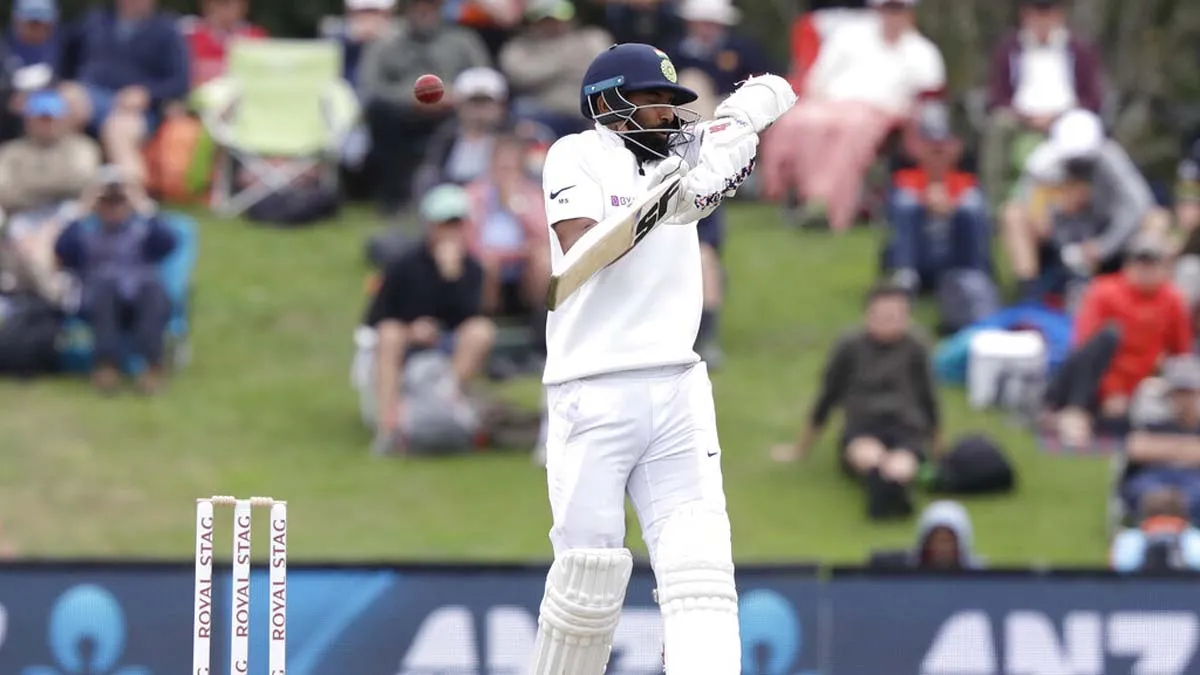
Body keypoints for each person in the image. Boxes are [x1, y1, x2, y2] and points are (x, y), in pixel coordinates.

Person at [529, 43, 794, 672]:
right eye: (653, 100)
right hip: (592, 387)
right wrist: (665, 201)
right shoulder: (576, 154)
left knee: (701, 572)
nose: (668, 115)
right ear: (609, 104)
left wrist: (742, 120)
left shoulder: (683, 155)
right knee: (587, 577)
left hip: (678, 385)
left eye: (673, 103)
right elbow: (581, 253)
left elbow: (778, 89)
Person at [773, 283, 940, 519]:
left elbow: (929, 399)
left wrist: (938, 448)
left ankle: (894, 491)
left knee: (902, 463)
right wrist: (801, 448)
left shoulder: (916, 347)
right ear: (868, 315)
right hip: (863, 427)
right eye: (882, 316)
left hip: (906, 428)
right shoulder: (849, 346)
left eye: (896, 316)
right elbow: (827, 398)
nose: (889, 322)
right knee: (869, 456)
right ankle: (883, 489)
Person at [363, 184, 497, 453]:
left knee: (480, 331)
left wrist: (452, 277)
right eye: (445, 224)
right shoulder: (403, 265)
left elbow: (471, 314)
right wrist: (412, 330)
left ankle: (444, 402)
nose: (452, 231)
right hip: (407, 340)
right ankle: (388, 427)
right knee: (389, 335)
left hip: (451, 341)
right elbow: (377, 316)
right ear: (431, 226)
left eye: (458, 223)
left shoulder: (472, 268)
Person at [1002, 108, 1168, 302]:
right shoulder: (1043, 164)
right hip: (1062, 238)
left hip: (1110, 237)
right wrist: (1057, 210)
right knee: (1014, 213)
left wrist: (1103, 247)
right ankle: (1029, 296)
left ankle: (1146, 294)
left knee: (1157, 219)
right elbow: (1031, 208)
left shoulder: (1111, 158)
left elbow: (1138, 206)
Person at [1048, 233, 1191, 448]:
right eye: (1140, 262)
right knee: (1109, 335)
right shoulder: (1104, 291)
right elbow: (1085, 348)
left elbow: (1180, 354)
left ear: (1163, 268)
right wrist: (1111, 391)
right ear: (1128, 264)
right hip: (1092, 382)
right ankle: (1075, 412)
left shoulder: (1172, 300)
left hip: (1137, 389)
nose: (1145, 270)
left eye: (1151, 263)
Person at [54, 166, 177, 394]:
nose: (113, 208)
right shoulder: (85, 233)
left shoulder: (145, 231)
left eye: (119, 202)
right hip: (100, 301)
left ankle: (152, 367)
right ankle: (106, 366)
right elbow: (62, 250)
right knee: (105, 286)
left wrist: (142, 206)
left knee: (152, 287)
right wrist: (82, 209)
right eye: (106, 203)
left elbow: (168, 243)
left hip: (141, 298)